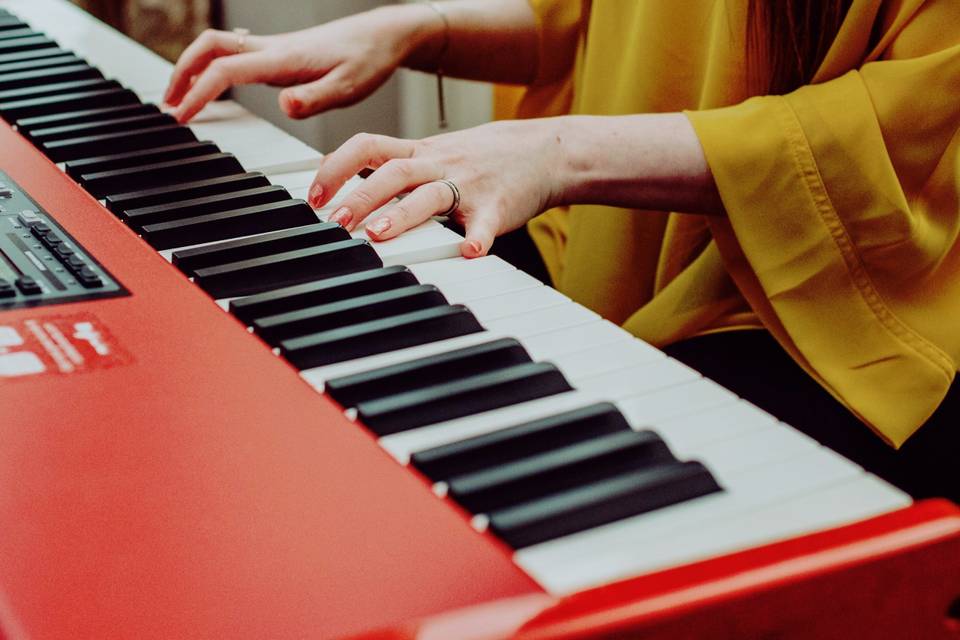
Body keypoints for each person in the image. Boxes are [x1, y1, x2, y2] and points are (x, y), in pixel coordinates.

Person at [163, 0, 960, 500]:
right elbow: (592, 25)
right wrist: (419, 28)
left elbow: (907, 128)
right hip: (609, 240)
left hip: (838, 298)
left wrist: (559, 154)